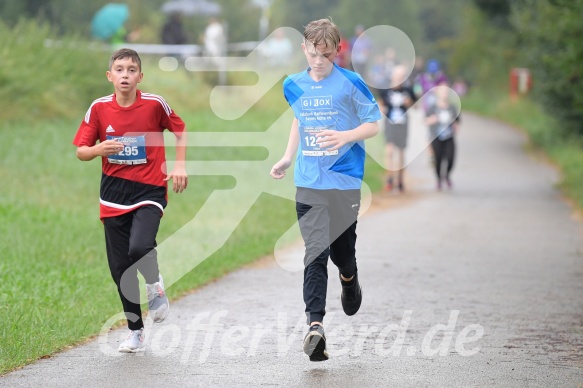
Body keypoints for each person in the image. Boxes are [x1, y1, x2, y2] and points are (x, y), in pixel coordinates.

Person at [270, 18, 381, 362]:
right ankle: (314, 327)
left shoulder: (351, 82)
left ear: (336, 52)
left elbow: (373, 124)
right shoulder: (293, 84)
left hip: (345, 181)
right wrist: (288, 157)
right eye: (313, 54)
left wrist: (345, 136)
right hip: (308, 181)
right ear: (304, 49)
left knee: (340, 252)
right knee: (315, 252)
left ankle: (349, 277)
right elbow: (299, 120)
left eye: (326, 55)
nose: (319, 61)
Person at [72, 48, 188, 353]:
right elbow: (81, 150)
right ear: (110, 76)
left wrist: (179, 165)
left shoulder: (154, 104)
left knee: (139, 246)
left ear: (140, 76)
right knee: (120, 269)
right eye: (120, 69)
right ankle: (135, 331)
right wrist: (99, 149)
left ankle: (154, 283)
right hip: (112, 196)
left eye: (131, 69)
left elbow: (180, 130)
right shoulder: (98, 109)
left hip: (149, 190)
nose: (126, 75)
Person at [378, 65, 416, 192]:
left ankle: (399, 179)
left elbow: (415, 105)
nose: (399, 78)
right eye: (397, 76)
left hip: (403, 122)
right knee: (389, 150)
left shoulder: (408, 90)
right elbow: (380, 103)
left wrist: (408, 103)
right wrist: (381, 109)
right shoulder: (385, 90)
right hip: (390, 122)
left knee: (400, 151)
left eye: (402, 76)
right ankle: (389, 178)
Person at [426, 84, 460, 190]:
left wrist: (454, 125)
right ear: (438, 93)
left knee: (450, 158)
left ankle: (447, 175)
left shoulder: (452, 108)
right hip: (436, 137)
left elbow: (458, 123)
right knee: (438, 160)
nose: (444, 94)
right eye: (442, 92)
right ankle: (439, 179)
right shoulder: (432, 108)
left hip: (449, 137)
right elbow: (425, 121)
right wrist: (433, 119)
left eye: (446, 92)